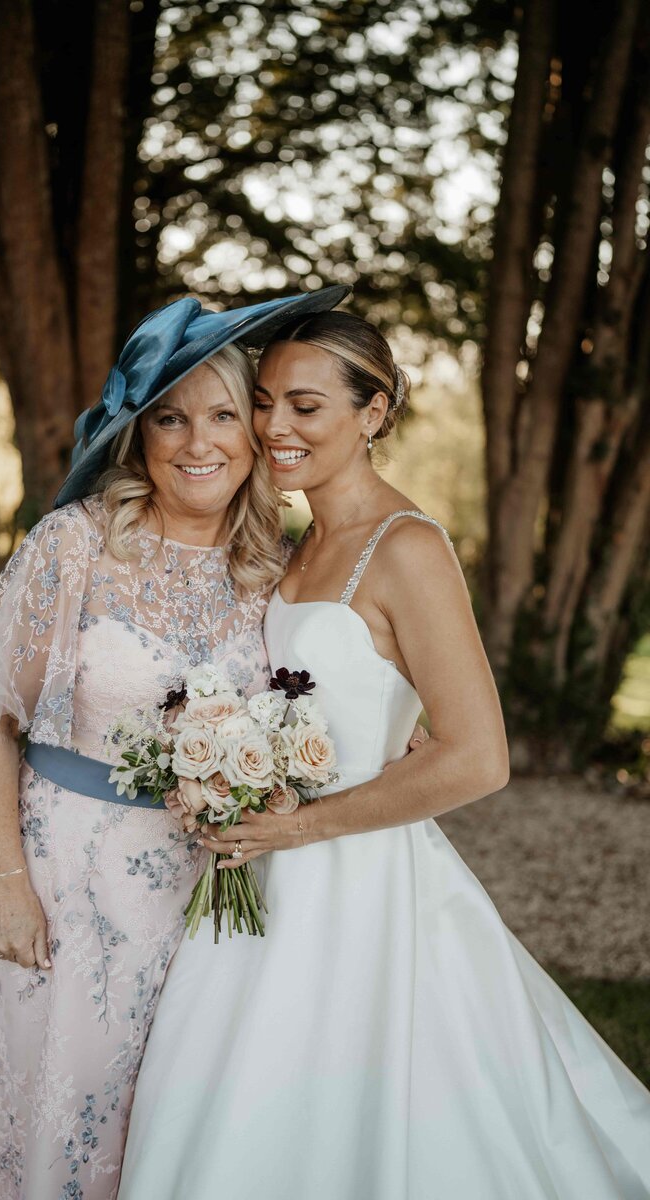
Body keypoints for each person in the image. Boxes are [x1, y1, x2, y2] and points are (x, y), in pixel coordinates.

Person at [119, 309, 650, 1200]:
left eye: (306, 406)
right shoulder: (298, 546)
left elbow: (479, 757)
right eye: (263, 404)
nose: (274, 428)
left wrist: (299, 827)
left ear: (373, 413)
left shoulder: (406, 550)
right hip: (264, 871)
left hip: (354, 883)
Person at [0, 286, 352, 1198]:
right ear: (138, 434)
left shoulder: (278, 567)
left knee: (174, 1109)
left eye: (224, 415)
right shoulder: (74, 545)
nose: (199, 443)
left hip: (210, 891)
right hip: (63, 881)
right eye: (171, 418)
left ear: (255, 433)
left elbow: (332, 691)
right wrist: (7, 885)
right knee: (44, 1099)